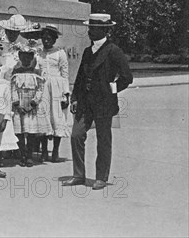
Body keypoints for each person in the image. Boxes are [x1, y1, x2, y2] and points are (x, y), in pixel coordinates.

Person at [63, 14, 133, 191]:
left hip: (104, 103)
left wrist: (111, 90)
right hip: (85, 102)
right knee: (76, 135)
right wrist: (75, 98)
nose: (89, 31)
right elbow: (80, 78)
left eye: (93, 28)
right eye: (89, 28)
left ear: (104, 30)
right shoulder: (88, 51)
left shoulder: (113, 51)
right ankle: (79, 175)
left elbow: (127, 77)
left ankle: (101, 177)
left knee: (103, 139)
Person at [11, 43, 49, 167]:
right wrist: (17, 104)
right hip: (19, 106)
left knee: (31, 132)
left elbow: (40, 88)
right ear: (20, 57)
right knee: (20, 132)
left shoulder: (37, 72)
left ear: (32, 57)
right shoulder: (16, 71)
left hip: (32, 107)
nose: (26, 59)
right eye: (23, 57)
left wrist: (34, 103)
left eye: (29, 57)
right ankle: (22, 154)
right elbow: (13, 88)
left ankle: (29, 155)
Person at [36, 24, 70, 163]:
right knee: (44, 117)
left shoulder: (60, 53)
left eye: (49, 38)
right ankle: (44, 151)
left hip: (57, 88)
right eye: (44, 38)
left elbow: (65, 74)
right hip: (42, 87)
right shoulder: (38, 53)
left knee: (57, 117)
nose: (46, 40)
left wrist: (66, 94)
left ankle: (55, 151)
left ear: (54, 39)